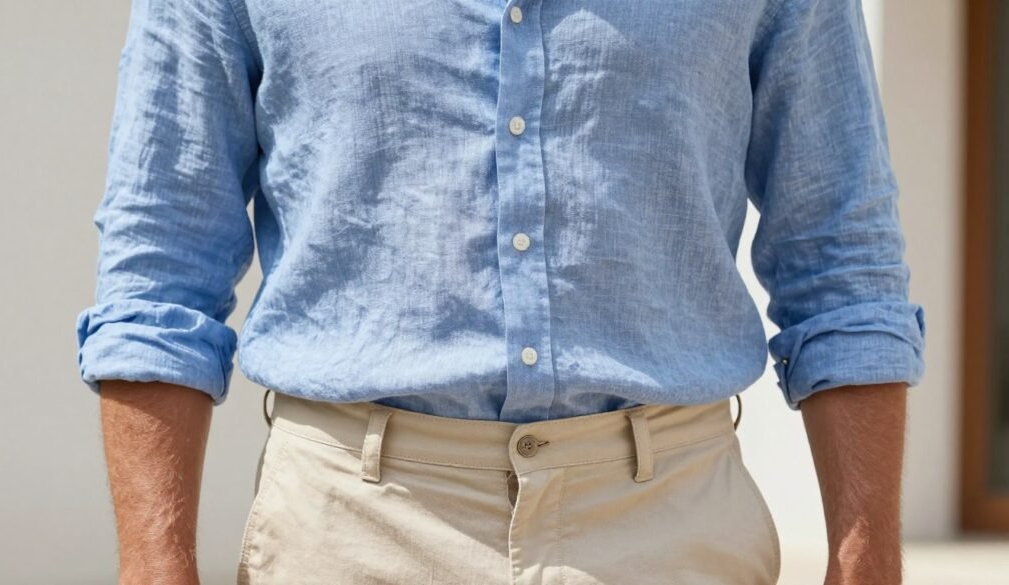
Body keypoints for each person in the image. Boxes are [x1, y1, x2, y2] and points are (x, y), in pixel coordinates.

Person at [76, 0, 926, 583]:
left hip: (675, 532)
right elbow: (162, 269)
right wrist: (154, 565)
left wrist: (867, 561)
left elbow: (839, 260)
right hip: (350, 536)